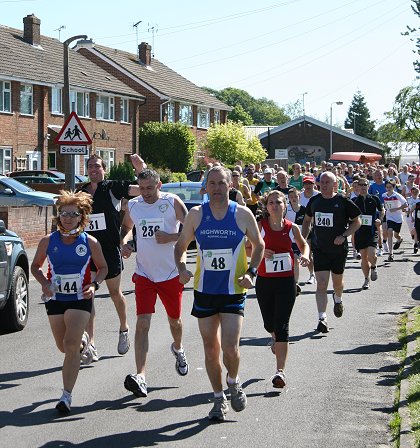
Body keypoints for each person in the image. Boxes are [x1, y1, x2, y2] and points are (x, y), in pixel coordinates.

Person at [174, 166, 265, 422]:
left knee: (230, 347)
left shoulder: (243, 214)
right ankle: (218, 398)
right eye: (211, 183)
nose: (216, 188)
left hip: (233, 290)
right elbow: (180, 246)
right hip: (204, 291)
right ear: (206, 187)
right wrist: (181, 267)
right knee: (210, 348)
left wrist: (252, 272)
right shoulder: (195, 215)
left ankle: (233, 382)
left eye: (221, 183)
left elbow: (259, 245)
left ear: (230, 186)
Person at [30, 191, 108, 413]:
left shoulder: (90, 242)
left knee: (70, 346)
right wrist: (45, 282)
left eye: (73, 214)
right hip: (55, 298)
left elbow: (103, 268)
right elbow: (35, 267)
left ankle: (66, 396)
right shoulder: (48, 241)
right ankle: (82, 341)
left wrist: (94, 285)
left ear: (81, 217)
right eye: (64, 213)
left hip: (79, 299)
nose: (67, 218)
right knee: (63, 346)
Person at [120, 169, 189, 398]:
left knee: (175, 321)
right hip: (145, 274)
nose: (146, 193)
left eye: (150, 188)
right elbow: (127, 228)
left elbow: (192, 230)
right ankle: (141, 376)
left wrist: (170, 238)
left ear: (159, 184)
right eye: (142, 188)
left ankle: (178, 348)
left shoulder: (172, 202)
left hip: (170, 273)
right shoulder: (134, 205)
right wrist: (126, 244)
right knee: (142, 323)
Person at [77, 153, 145, 360]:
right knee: (89, 298)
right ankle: (91, 343)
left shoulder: (113, 187)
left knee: (115, 294)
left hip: (109, 251)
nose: (94, 170)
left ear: (104, 169)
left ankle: (124, 329)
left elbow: (143, 188)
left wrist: (140, 169)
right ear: (86, 170)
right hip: (87, 252)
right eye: (90, 166)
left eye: (97, 166)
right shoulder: (80, 192)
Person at [254, 189, 310, 387]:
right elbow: (245, 247)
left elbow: (304, 245)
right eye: (271, 203)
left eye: (278, 202)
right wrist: (260, 252)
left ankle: (280, 372)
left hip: (286, 282)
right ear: (266, 207)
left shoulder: (292, 227)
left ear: (285, 206)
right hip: (264, 281)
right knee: (270, 324)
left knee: (283, 325)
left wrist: (305, 256)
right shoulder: (259, 226)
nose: (275, 205)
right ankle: (274, 337)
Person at [301, 172, 361, 333]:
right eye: (322, 182)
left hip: (338, 250)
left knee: (337, 284)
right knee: (321, 284)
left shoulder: (342, 201)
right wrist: (304, 238)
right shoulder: (315, 201)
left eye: (328, 182)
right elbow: (307, 220)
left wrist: (344, 236)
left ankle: (338, 298)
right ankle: (322, 318)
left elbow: (357, 221)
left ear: (335, 184)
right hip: (320, 249)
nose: (324, 185)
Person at [352, 179, 383, 289]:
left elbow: (381, 210)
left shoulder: (374, 198)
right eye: (361, 185)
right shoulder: (354, 201)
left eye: (365, 185)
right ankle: (366, 280)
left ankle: (374, 267)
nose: (363, 187)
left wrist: (379, 219)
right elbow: (351, 216)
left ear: (368, 186)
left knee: (372, 254)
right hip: (360, 233)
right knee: (364, 258)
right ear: (357, 187)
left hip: (372, 231)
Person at [285, 188, 306, 293]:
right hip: (288, 239)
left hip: (299, 239)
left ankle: (296, 282)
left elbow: (308, 224)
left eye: (295, 196)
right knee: (291, 260)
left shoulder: (304, 209)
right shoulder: (286, 209)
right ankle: (289, 281)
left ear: (299, 197)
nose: (293, 199)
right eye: (291, 197)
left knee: (296, 260)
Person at [382, 180, 408, 262]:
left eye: (390, 187)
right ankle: (391, 253)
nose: (388, 189)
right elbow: (385, 205)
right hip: (389, 217)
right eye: (387, 187)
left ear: (393, 187)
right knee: (389, 232)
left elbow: (405, 204)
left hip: (398, 218)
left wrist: (396, 208)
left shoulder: (397, 195)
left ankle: (399, 239)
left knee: (396, 235)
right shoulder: (384, 195)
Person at [369, 169, 388, 255]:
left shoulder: (387, 185)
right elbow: (368, 197)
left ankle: (384, 241)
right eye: (377, 175)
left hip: (387, 208)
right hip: (377, 210)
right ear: (373, 177)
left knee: (385, 229)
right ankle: (380, 246)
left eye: (380, 174)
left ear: (383, 175)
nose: (379, 176)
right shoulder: (372, 186)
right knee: (378, 228)